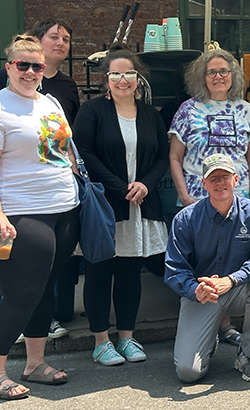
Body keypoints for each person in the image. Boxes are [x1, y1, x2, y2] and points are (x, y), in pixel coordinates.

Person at [0, 35, 80, 400]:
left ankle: (35, 363)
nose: (30, 72)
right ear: (9, 67)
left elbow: (61, 149)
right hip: (16, 214)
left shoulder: (50, 103)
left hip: (61, 209)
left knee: (44, 289)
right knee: (21, 294)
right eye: (23, 65)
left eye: (37, 66)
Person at [72, 46, 169, 365]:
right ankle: (101, 341)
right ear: (106, 79)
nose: (123, 80)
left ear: (138, 78)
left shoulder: (151, 114)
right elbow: (84, 152)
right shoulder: (92, 111)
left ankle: (127, 337)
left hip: (141, 204)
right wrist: (120, 187)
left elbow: (161, 157)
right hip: (105, 204)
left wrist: (145, 184)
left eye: (129, 73)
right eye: (116, 74)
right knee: (100, 270)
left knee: (130, 271)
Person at [0, 19, 80, 336]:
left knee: (50, 274)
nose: (29, 72)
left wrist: (73, 168)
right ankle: (3, 355)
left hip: (60, 199)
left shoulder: (60, 92)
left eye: (66, 38)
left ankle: (38, 350)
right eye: (55, 36)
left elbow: (66, 138)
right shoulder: (1, 91)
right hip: (20, 201)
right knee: (24, 285)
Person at [168, 47, 250, 347]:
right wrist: (183, 195)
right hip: (199, 197)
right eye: (212, 72)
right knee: (204, 258)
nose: (218, 77)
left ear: (233, 76)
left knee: (235, 257)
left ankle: (227, 323)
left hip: (239, 197)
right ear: (202, 77)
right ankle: (206, 320)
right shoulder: (188, 110)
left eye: (224, 71)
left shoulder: (246, 110)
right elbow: (174, 157)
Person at [165, 154, 250, 383]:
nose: (219, 183)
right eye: (212, 178)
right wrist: (195, 288)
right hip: (203, 294)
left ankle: (248, 355)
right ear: (203, 184)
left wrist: (232, 280)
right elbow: (174, 269)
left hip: (238, 289)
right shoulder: (185, 219)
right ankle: (209, 338)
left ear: (236, 179)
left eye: (224, 176)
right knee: (188, 373)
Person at [0, 19, 80, 124]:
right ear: (37, 41)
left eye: (66, 40)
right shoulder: (8, 76)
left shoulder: (68, 85)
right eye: (54, 37)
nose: (60, 43)